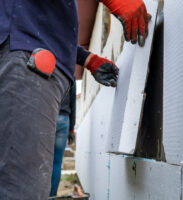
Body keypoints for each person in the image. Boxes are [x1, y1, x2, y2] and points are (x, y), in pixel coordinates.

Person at [0, 0, 150, 199]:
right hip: (25, 61)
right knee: (21, 189)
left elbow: (43, 23)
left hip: (25, 59)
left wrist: (87, 59)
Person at [50, 79, 76, 197]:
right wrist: (71, 128)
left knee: (42, 159)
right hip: (64, 119)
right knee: (57, 162)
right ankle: (52, 196)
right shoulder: (70, 74)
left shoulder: (46, 66)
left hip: (47, 116)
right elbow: (73, 103)